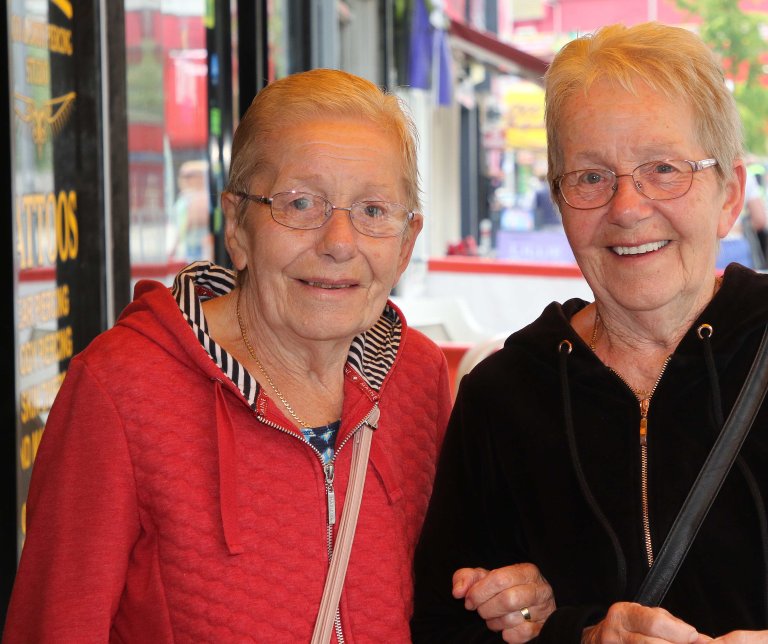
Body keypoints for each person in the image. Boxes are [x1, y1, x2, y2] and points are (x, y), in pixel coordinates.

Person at [411, 22, 768, 644]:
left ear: (730, 193)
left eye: (664, 168)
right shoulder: (503, 396)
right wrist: (576, 634)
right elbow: (442, 627)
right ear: (559, 202)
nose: (626, 207)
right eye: (590, 177)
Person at [5, 69, 452, 642]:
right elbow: (55, 626)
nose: (339, 243)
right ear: (237, 225)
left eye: (372, 211)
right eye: (300, 202)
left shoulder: (417, 376)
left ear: (407, 242)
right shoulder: (119, 388)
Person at [171, 159, 212, 261]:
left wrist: (175, 245)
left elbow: (187, 223)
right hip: (191, 245)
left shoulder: (198, 197)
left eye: (189, 176)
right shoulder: (186, 197)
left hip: (197, 246)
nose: (184, 179)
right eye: (184, 176)